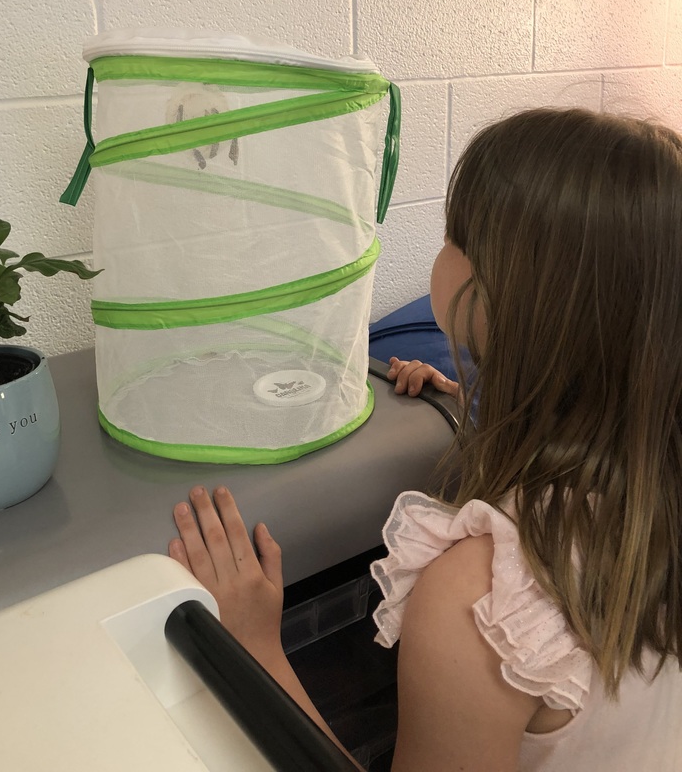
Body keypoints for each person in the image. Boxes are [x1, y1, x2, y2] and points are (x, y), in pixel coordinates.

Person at [169, 108, 682, 771]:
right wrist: (464, 395)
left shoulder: (483, 602)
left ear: (494, 292)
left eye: (453, 233)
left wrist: (255, 647)